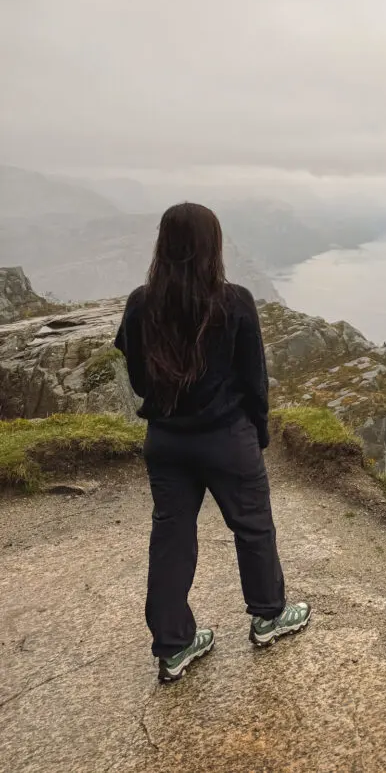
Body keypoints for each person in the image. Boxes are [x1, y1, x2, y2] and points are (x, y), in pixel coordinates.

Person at [115, 202, 310, 682]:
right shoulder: (235, 301)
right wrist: (257, 434)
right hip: (227, 439)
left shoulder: (141, 303)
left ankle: (174, 646)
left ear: (164, 244)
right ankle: (268, 616)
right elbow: (254, 381)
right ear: (212, 246)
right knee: (253, 528)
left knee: (171, 538)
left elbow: (139, 380)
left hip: (166, 442)